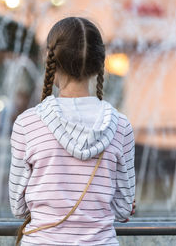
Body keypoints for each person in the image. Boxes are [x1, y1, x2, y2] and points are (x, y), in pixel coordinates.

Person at [9, 17, 135, 245]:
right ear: (100, 64)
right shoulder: (121, 126)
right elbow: (123, 208)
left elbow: (18, 208)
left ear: (50, 60)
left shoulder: (27, 124)